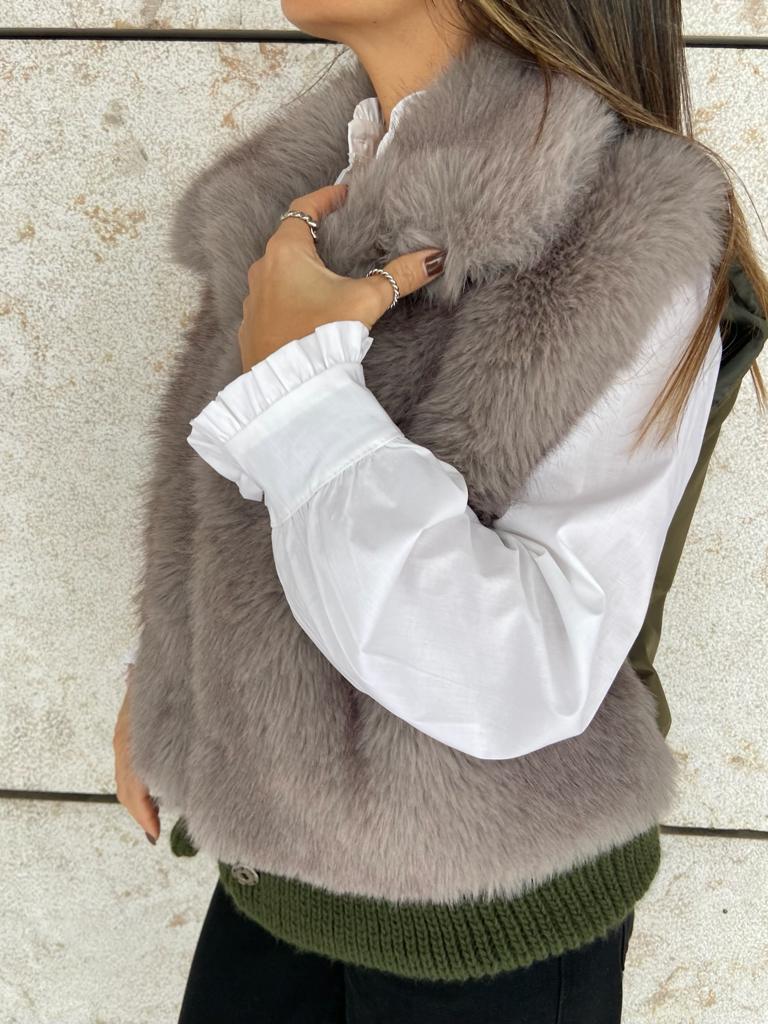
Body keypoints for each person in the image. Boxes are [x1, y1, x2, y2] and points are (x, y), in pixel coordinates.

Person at [112, 2, 767, 1021]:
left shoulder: (617, 222)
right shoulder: (316, 179)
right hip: (275, 866)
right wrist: (167, 686)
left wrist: (299, 387)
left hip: (480, 921)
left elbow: (524, 670)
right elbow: (224, 515)